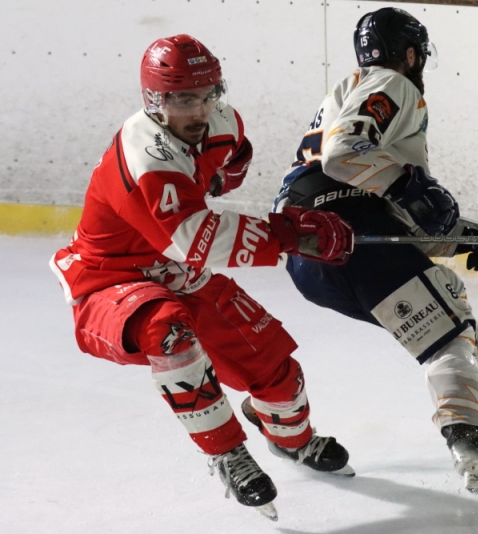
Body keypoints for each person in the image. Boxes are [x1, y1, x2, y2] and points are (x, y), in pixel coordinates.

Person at [49, 34, 356, 521]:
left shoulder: (221, 121)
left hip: (180, 272)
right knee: (167, 330)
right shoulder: (144, 155)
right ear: (155, 101)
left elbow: (234, 154)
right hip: (108, 282)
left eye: (208, 93)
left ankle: (291, 439)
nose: (198, 109)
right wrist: (290, 234)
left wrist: (218, 178)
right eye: (183, 99)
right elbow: (197, 238)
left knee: (275, 370)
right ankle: (226, 452)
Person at [273, 8, 478, 492]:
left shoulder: (344, 96)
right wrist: (414, 188)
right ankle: (472, 446)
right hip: (351, 232)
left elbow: (389, 211)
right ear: (410, 52)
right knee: (444, 332)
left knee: (442, 302)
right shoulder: (391, 82)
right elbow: (347, 155)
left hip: (309, 255)